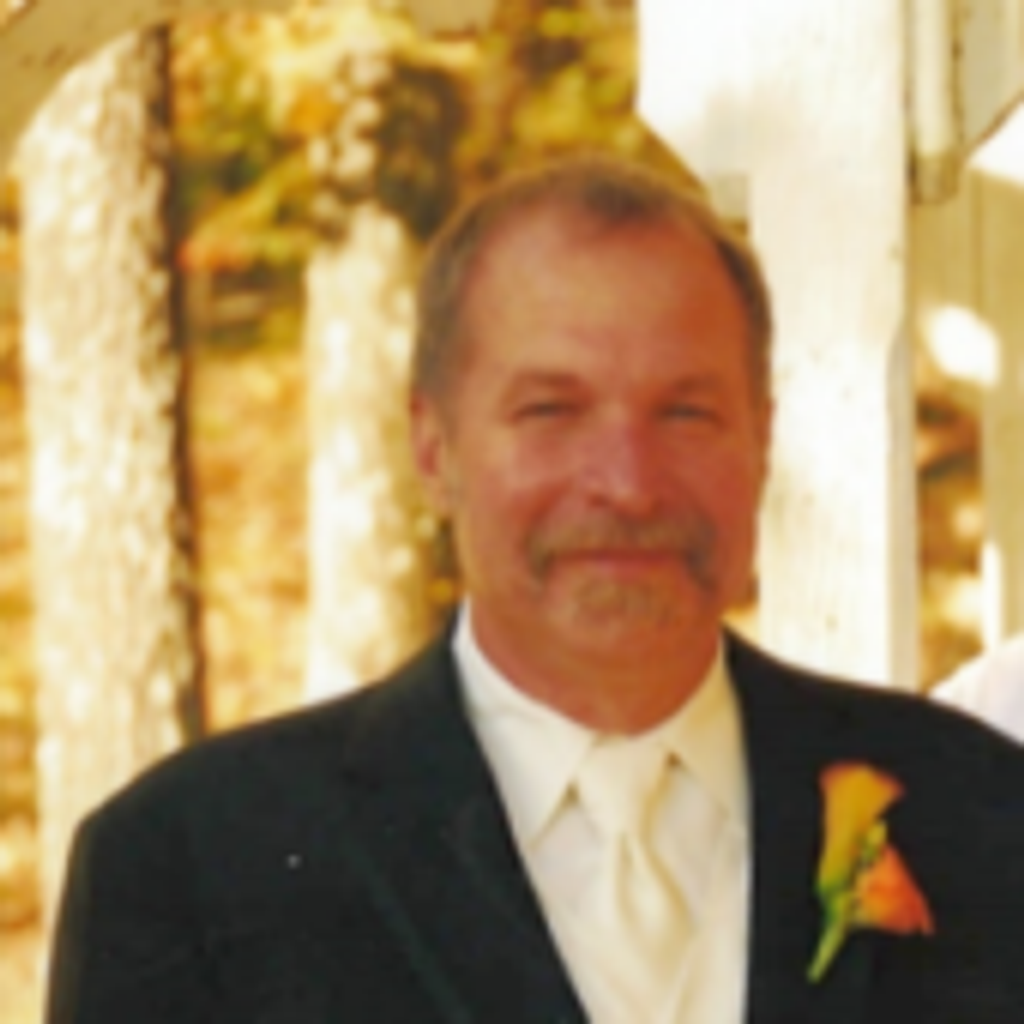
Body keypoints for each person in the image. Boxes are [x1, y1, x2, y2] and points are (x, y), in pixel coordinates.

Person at [47, 154, 1024, 1024]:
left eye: (686, 412)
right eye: (551, 410)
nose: (628, 483)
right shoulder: (195, 865)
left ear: (761, 440)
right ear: (434, 448)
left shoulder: (977, 811)